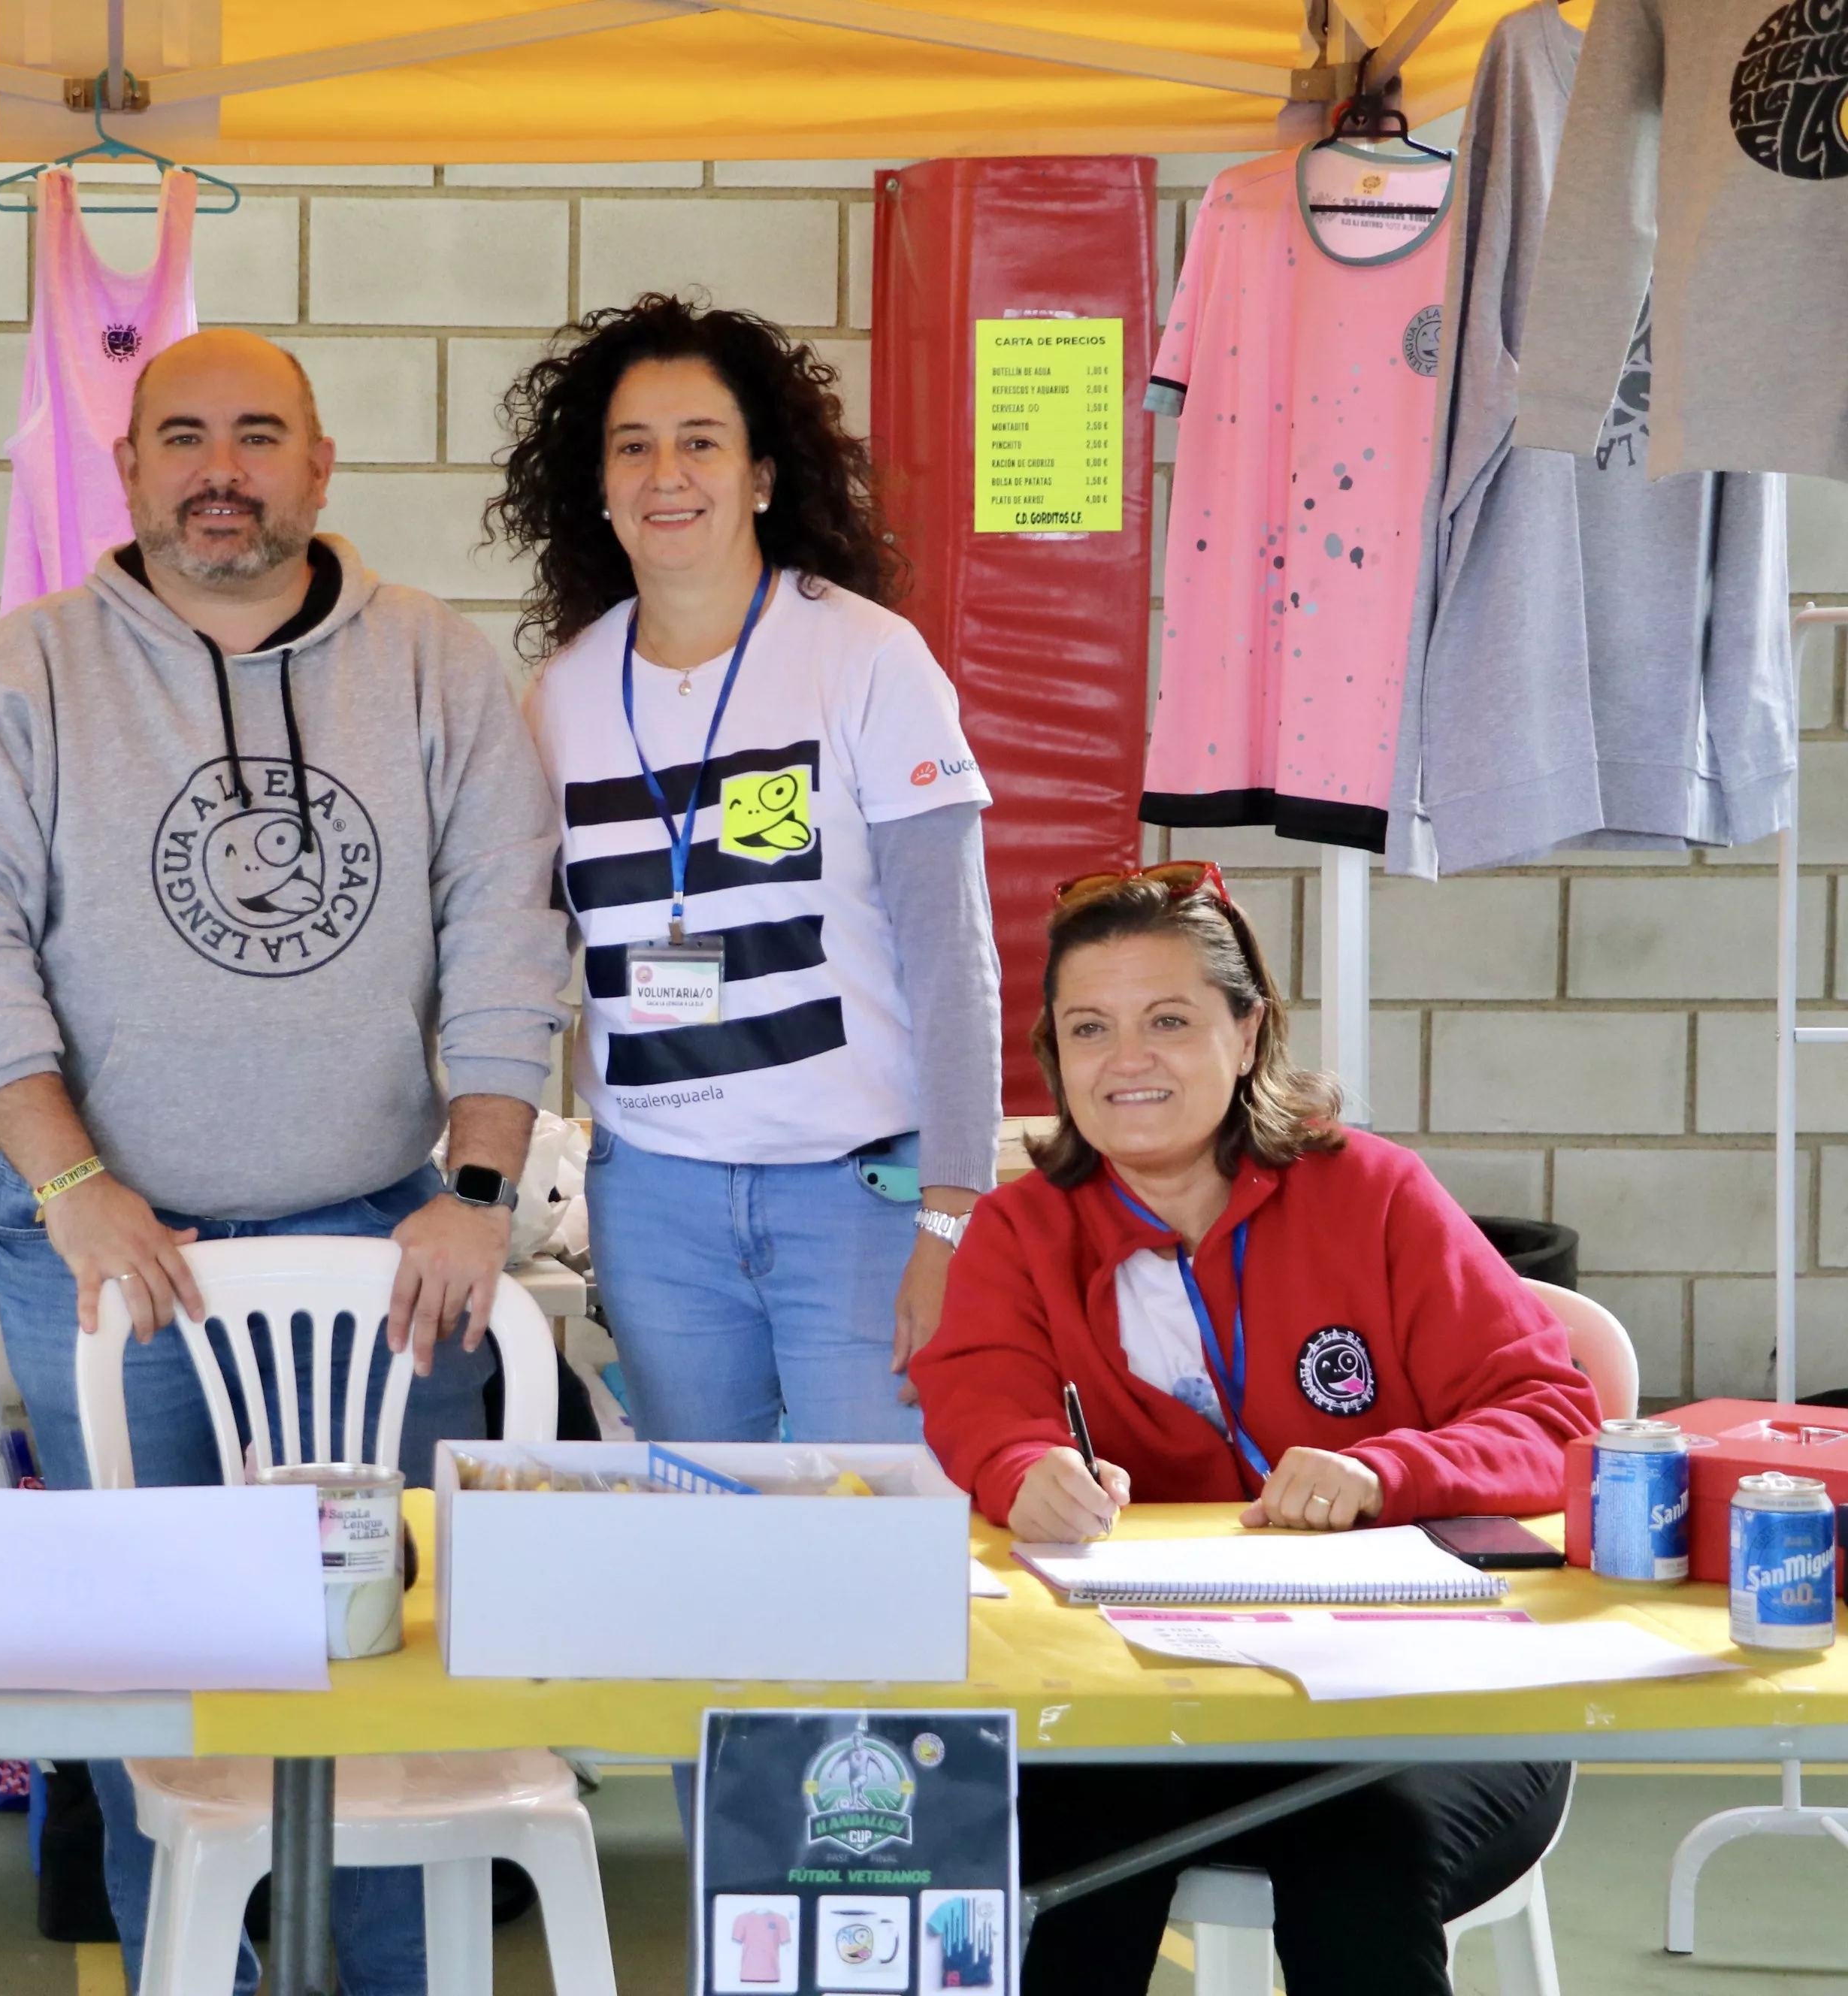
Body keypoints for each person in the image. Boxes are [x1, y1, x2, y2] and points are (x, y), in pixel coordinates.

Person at [0, 326, 570, 1995]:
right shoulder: (23, 673)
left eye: (260, 433)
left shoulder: (434, 665)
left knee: (388, 1662)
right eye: (181, 435)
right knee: (154, 1676)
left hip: (376, 1249)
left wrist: (477, 1185)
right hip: (114, 1249)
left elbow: (505, 931)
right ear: (122, 471)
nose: (221, 467)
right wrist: (68, 1180)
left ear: (321, 467)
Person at [912, 863, 1601, 1996]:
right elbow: (979, 1393)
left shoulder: (1376, 1193)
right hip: (1143, 1689)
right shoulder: (1021, 1230)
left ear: (1249, 1032)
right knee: (1061, 1844)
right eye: (1090, 1028)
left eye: (1170, 1022)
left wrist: (1387, 1471)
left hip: (1420, 1690)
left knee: (1361, 1855)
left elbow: (1553, 1416)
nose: (1127, 1061)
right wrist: (1020, 1463)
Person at [488, 294, 1000, 1446]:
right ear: (602, 487)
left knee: (869, 1542)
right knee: (703, 1542)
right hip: (656, 1200)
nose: (667, 473)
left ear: (762, 476)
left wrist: (955, 1214)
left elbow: (953, 959)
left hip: (856, 1197)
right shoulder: (560, 697)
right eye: (634, 447)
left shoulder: (868, 659)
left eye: (700, 441)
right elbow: (523, 961)